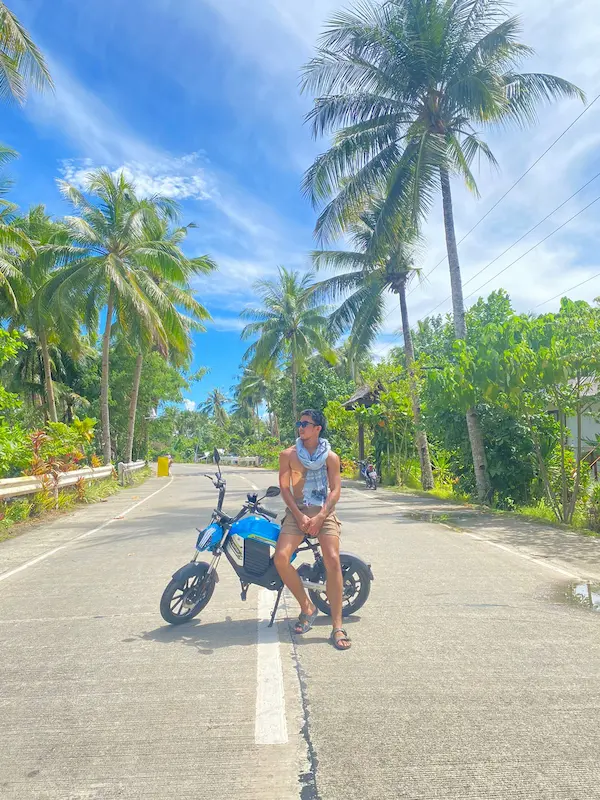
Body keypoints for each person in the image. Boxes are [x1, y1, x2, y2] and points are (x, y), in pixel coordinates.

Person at [274, 409, 351, 651]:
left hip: (323, 512)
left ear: (317, 428)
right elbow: (284, 488)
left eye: (305, 423)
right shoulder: (288, 455)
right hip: (296, 512)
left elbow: (335, 490)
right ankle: (307, 607)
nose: (300, 427)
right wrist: (299, 516)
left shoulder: (331, 458)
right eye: (299, 423)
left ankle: (337, 626)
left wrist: (320, 516)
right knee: (281, 558)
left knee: (333, 560)